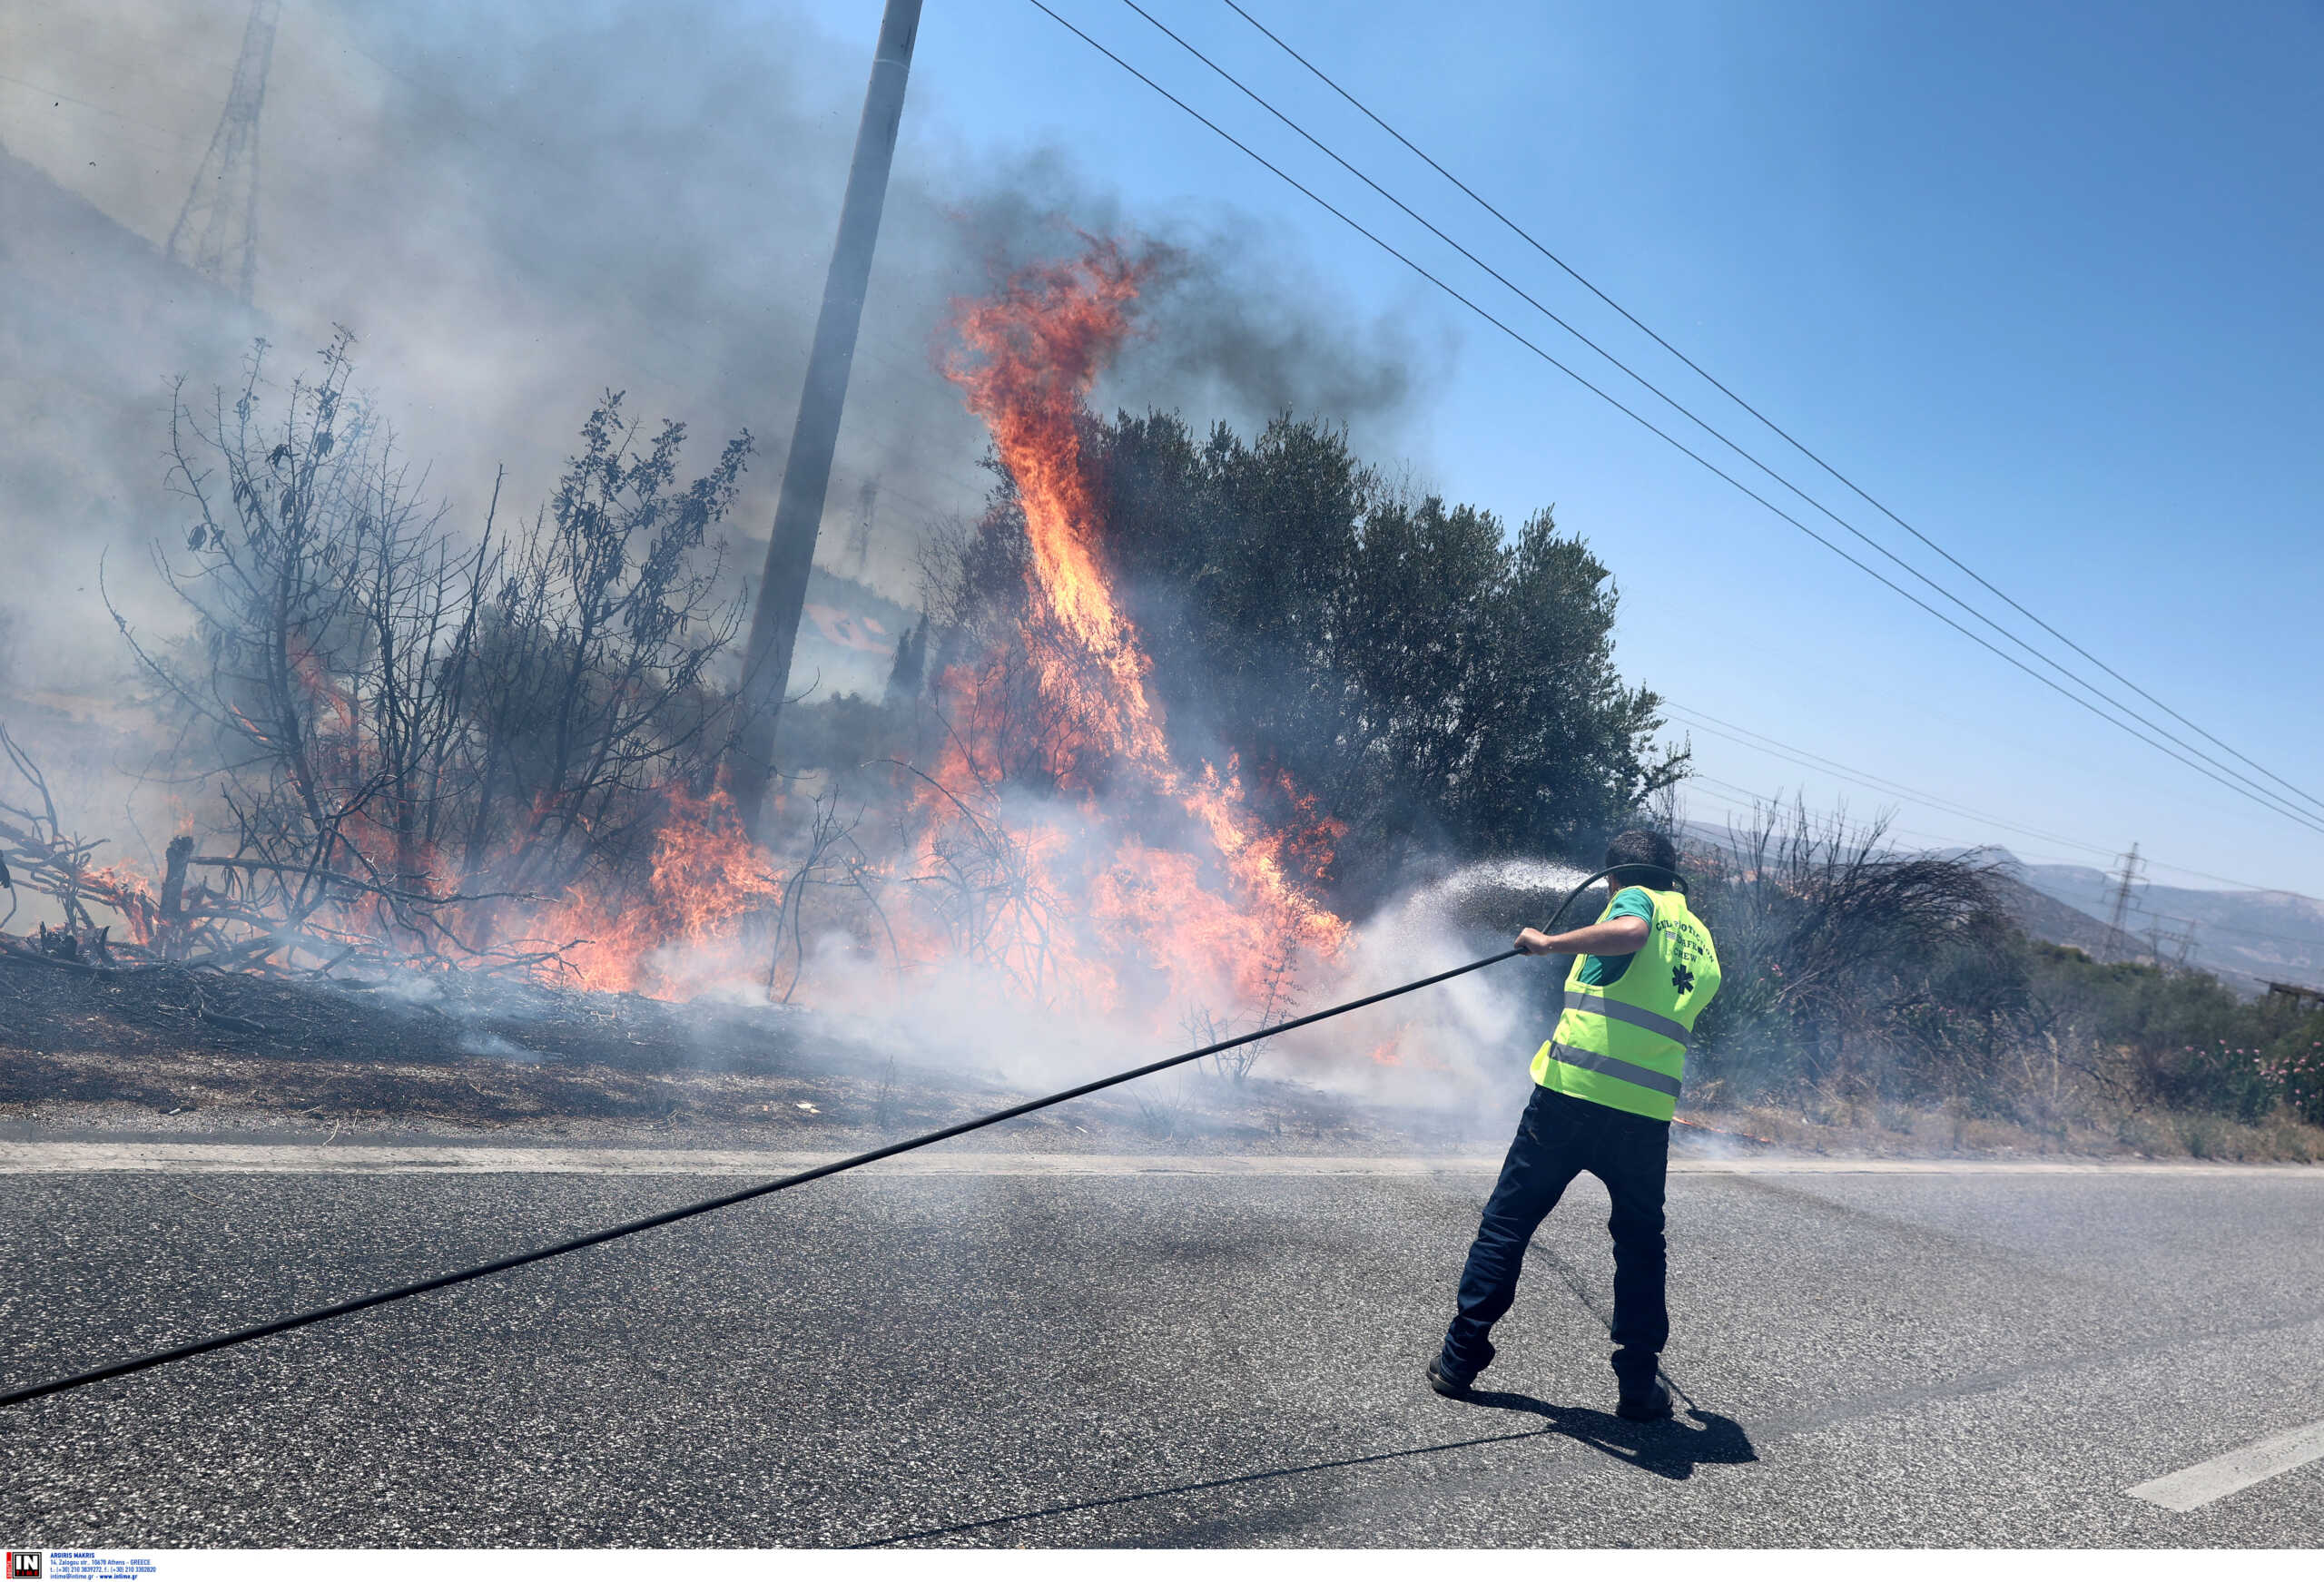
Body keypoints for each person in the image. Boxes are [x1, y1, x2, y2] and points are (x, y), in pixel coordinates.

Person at [1427, 828, 1722, 1421]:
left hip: (1571, 1097)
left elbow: (1632, 932)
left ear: (1618, 877)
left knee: (1508, 1221)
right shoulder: (1700, 935)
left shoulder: (1635, 900)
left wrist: (1548, 942)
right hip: (1643, 1119)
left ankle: (1460, 1359)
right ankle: (1638, 1386)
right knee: (1641, 1247)